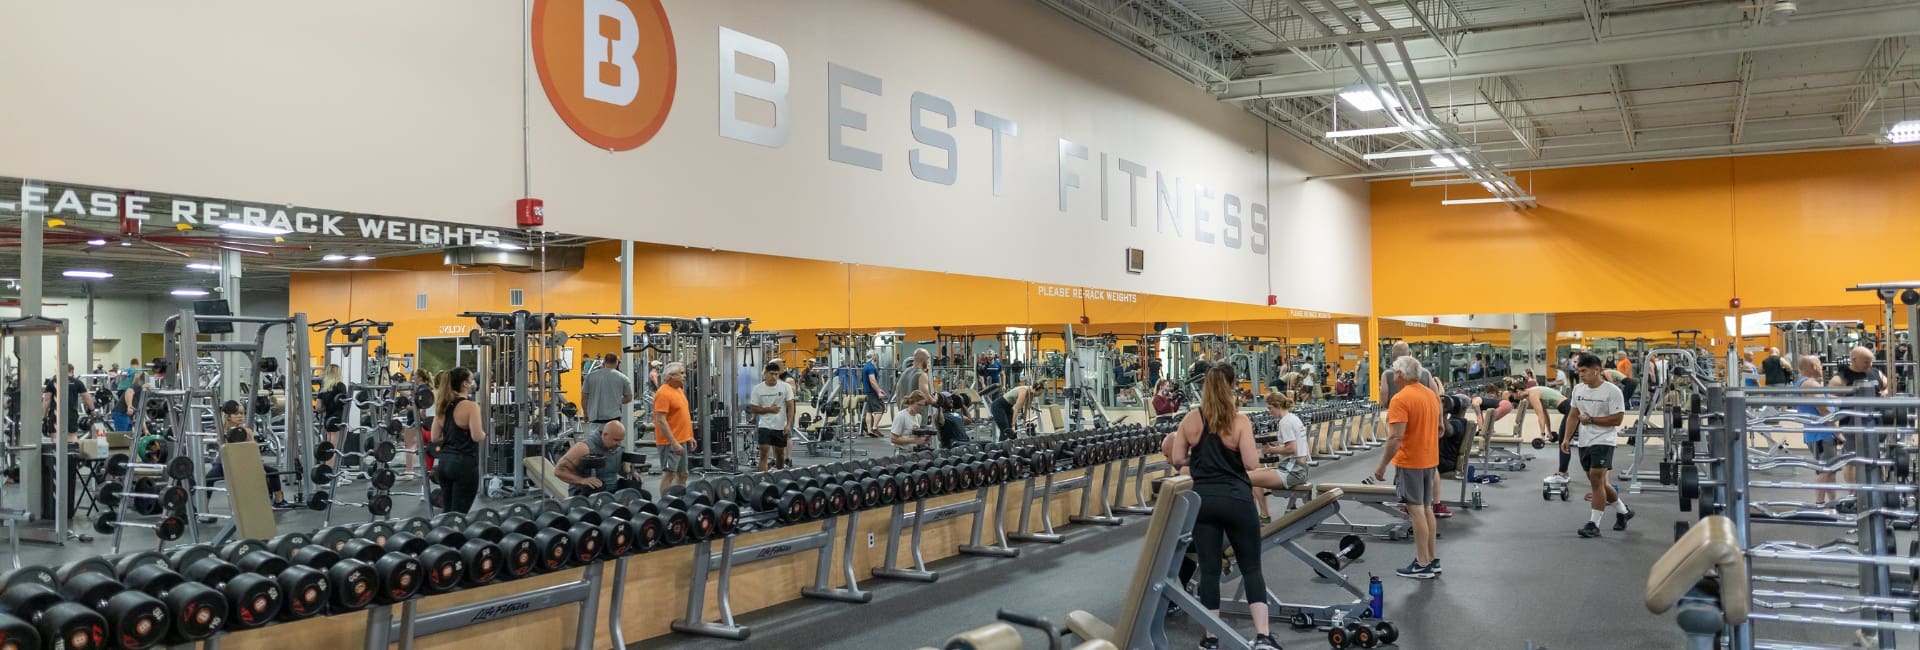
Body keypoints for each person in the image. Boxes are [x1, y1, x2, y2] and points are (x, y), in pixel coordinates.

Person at [1160, 364, 1282, 650]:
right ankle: (1263, 636)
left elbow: (1177, 459)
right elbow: (1251, 464)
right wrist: (1228, 461)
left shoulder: (1190, 419)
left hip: (1204, 502)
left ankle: (1210, 637)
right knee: (1252, 567)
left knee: (1210, 570)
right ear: (1230, 386)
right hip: (1237, 499)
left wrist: (1203, 462)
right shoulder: (1239, 421)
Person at [1374, 356, 1442, 578]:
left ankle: (1422, 563)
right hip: (1429, 460)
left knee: (1416, 511)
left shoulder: (1401, 399)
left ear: (1401, 375)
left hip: (1411, 461)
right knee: (1426, 509)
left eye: (1394, 373)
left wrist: (1382, 466)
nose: (1393, 376)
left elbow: (1395, 438)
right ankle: (1431, 559)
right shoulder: (1430, 394)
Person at [1378, 342, 1452, 518]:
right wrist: (1440, 421)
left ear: (1393, 357)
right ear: (1410, 354)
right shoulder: (1424, 373)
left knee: (1405, 458)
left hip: (1402, 422)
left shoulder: (1388, 374)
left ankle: (1410, 501)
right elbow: (1437, 398)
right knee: (1430, 466)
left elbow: (1383, 398)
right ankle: (1436, 503)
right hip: (1426, 424)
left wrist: (1381, 466)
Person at [1566, 353, 1630, 538]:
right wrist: (1566, 439)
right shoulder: (1578, 389)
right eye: (1579, 371)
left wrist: (1592, 419)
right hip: (1585, 441)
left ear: (1596, 371)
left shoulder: (1612, 391)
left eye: (1584, 371)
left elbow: (1617, 419)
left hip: (1604, 440)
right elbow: (1573, 415)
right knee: (1599, 482)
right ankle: (1623, 511)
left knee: (1596, 478)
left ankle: (1594, 524)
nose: (1581, 375)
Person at [208, 400, 291, 510]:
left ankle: (278, 500)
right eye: (236, 414)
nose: (240, 416)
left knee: (272, 472)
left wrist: (259, 465)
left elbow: (253, 449)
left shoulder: (247, 432)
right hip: (224, 463)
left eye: (242, 414)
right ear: (228, 416)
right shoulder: (223, 431)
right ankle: (203, 506)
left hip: (245, 463)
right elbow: (225, 449)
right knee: (209, 479)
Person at [429, 367, 484, 514]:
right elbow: (477, 436)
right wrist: (485, 434)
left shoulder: (443, 405)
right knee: (459, 515)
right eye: (471, 380)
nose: (473, 383)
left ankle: (442, 536)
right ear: (465, 384)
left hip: (444, 464)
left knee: (447, 513)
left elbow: (434, 437)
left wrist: (451, 435)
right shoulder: (471, 407)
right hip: (464, 465)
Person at [1253, 392, 1311, 523]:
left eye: (1270, 408)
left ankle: (1263, 516)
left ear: (1277, 405)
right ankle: (1263, 515)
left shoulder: (1285, 422)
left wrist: (1271, 449)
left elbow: (1291, 448)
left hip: (1293, 472)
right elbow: (1292, 447)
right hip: (1299, 468)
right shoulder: (1293, 418)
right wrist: (1277, 447)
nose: (1269, 411)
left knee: (1250, 478)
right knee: (1255, 474)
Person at [1793, 355, 1840, 505]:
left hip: (1819, 433)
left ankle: (1833, 502)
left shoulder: (1804, 383)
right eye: (1820, 364)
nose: (1822, 367)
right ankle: (1819, 504)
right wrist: (1838, 432)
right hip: (1822, 432)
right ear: (1813, 366)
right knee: (1825, 470)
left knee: (1830, 470)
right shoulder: (1810, 384)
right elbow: (1823, 409)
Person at [554, 419, 641, 495]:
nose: (619, 444)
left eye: (621, 440)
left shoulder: (617, 448)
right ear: (605, 435)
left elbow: (614, 470)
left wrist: (630, 473)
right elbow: (559, 471)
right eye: (616, 440)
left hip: (611, 492)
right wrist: (582, 480)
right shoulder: (584, 448)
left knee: (643, 496)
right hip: (588, 494)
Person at [748, 361, 796, 471]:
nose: (774, 376)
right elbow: (754, 408)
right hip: (764, 425)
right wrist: (769, 409)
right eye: (771, 374)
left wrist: (788, 424)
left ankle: (779, 477)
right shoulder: (758, 389)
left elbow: (790, 407)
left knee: (780, 455)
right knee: (764, 454)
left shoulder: (785, 387)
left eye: (776, 374)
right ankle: (762, 480)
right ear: (765, 374)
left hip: (780, 426)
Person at [653, 362, 694, 492]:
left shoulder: (679, 390)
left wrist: (690, 436)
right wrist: (674, 443)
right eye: (681, 373)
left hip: (682, 440)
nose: (684, 376)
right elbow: (661, 420)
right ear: (670, 376)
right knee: (669, 474)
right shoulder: (663, 393)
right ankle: (665, 506)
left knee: (683, 474)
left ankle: (680, 501)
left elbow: (684, 415)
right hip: (669, 442)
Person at [581, 354, 633, 442]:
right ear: (617, 362)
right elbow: (629, 398)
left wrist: (585, 414)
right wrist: (618, 401)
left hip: (595, 418)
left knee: (595, 444)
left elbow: (584, 398)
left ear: (604, 362)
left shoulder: (590, 376)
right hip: (613, 418)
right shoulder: (623, 378)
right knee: (612, 445)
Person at [41, 364, 93, 437]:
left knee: (55, 441)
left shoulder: (52, 382)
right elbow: (87, 397)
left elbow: (46, 400)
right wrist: (92, 410)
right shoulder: (77, 382)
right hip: (71, 415)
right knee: (71, 439)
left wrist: (44, 417)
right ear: (72, 371)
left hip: (55, 414)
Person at [316, 363, 348, 465]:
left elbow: (318, 407)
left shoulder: (324, 387)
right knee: (335, 449)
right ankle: (332, 474)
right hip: (338, 419)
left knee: (329, 448)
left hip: (328, 419)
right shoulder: (340, 386)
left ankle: (327, 471)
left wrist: (328, 405)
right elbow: (345, 403)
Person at [861, 351, 888, 437]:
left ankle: (869, 430)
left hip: (867, 392)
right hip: (872, 392)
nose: (877, 357)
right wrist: (878, 392)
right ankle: (874, 428)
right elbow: (872, 381)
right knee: (880, 409)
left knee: (869, 411)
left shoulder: (865, 366)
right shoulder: (871, 367)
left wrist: (879, 389)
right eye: (876, 356)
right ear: (873, 357)